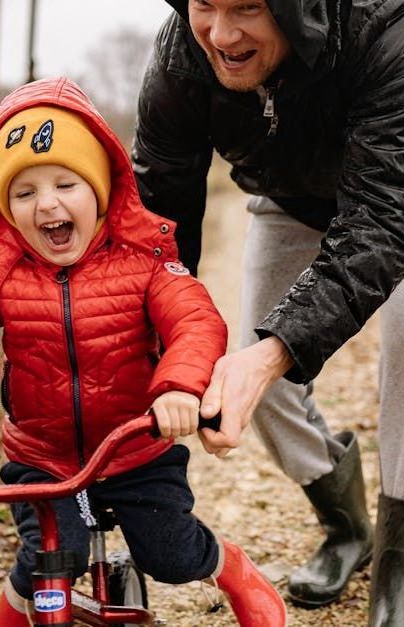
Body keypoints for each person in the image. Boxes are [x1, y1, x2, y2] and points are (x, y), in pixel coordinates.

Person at [0, 76, 287, 627]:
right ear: (7, 209)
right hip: (44, 457)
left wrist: (177, 387)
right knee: (49, 558)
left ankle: (231, 567)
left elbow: (196, 321)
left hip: (135, 450)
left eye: (65, 184)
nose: (46, 204)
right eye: (24, 194)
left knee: (171, 555)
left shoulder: (143, 263)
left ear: (99, 188)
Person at [131, 0, 404, 623]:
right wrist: (156, 347)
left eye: (248, 7)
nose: (221, 35)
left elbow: (382, 222)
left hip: (396, 203)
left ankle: (399, 555)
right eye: (205, 5)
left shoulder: (384, 27)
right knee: (257, 377)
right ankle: (346, 525)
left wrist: (275, 351)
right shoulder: (181, 55)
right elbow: (160, 225)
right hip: (290, 201)